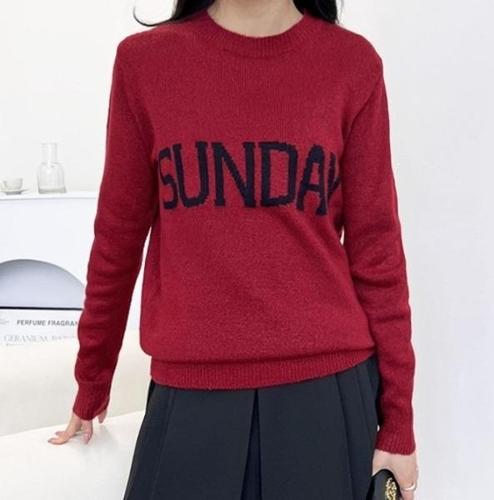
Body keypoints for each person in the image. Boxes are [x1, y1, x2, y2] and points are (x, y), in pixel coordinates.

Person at [48, 1, 419, 498]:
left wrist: (398, 422)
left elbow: (378, 253)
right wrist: (93, 377)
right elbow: (117, 236)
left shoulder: (351, 64)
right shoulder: (145, 64)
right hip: (190, 395)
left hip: (326, 397)